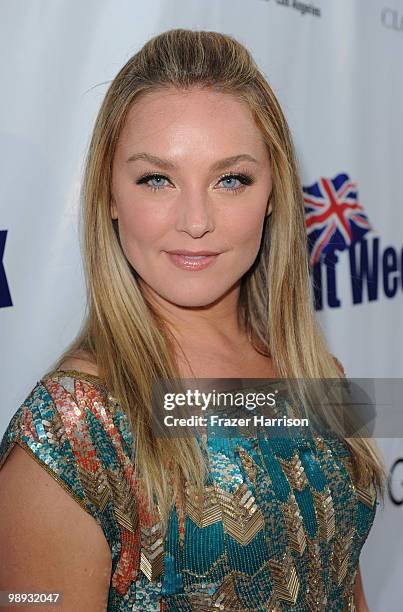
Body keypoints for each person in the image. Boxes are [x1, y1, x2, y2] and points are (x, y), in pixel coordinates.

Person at [0, 28, 386, 612]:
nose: (197, 220)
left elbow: (340, 582)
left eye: (231, 179)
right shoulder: (72, 434)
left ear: (274, 192)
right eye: (158, 179)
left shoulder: (315, 371)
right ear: (108, 192)